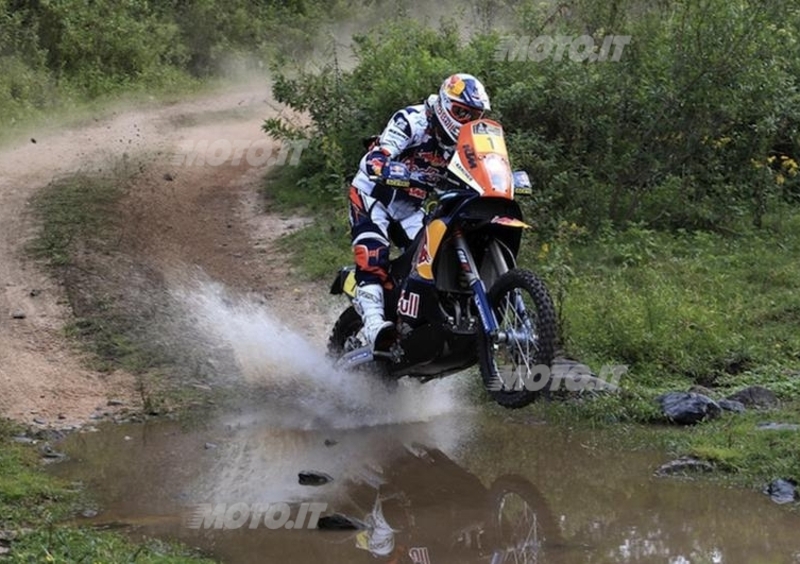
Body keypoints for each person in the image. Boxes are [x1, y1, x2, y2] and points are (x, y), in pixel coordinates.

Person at [348, 73, 491, 349]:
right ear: (445, 105)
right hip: (373, 196)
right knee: (373, 254)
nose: (467, 121)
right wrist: (384, 165)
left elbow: (476, 173)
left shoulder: (463, 143)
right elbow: (376, 157)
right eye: (461, 112)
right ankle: (374, 325)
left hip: (409, 209)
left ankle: (418, 319)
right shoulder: (411, 120)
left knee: (434, 257)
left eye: (473, 116)